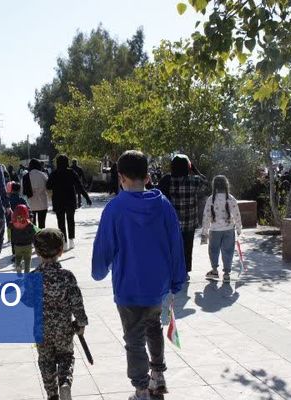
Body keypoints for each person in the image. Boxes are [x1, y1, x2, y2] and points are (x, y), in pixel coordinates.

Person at [92, 150, 186, 400]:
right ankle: (158, 375)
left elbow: (104, 249)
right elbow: (175, 245)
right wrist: (177, 280)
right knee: (153, 328)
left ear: (120, 177)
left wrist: (99, 271)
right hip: (157, 287)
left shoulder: (114, 209)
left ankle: (141, 389)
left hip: (128, 288)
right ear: (147, 176)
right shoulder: (164, 205)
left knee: (133, 338)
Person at [32, 228, 88, 400]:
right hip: (64, 328)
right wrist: (80, 323)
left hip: (42, 329)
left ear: (37, 252)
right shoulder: (67, 276)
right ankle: (64, 383)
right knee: (66, 356)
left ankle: (52, 395)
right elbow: (76, 302)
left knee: (46, 361)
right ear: (60, 251)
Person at [158, 154, 207, 280]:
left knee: (171, 247)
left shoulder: (167, 180)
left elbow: (157, 193)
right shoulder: (194, 180)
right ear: (187, 167)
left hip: (171, 223)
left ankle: (171, 271)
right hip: (189, 222)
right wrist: (194, 169)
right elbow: (205, 182)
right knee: (187, 247)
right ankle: (184, 272)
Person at [200, 176, 243, 282]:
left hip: (214, 230)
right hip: (229, 229)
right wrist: (238, 228)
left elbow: (206, 216)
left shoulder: (211, 199)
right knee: (228, 251)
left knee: (213, 250)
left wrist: (204, 232)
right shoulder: (231, 198)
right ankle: (227, 274)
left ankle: (214, 270)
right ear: (226, 185)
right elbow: (237, 214)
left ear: (214, 186)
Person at [46, 155, 92, 250]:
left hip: (58, 201)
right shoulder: (71, 172)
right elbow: (79, 186)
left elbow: (48, 186)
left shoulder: (54, 174)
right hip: (70, 200)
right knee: (71, 220)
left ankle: (64, 242)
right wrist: (87, 197)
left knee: (61, 222)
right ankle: (71, 240)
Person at [10, 204, 38, 274]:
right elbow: (35, 232)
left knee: (18, 257)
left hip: (17, 245)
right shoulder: (29, 225)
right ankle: (26, 274)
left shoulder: (13, 224)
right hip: (28, 245)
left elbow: (9, 226)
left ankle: (18, 266)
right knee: (27, 260)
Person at [23, 159, 49, 229]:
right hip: (43, 202)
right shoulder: (43, 175)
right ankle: (41, 238)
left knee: (32, 224)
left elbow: (24, 191)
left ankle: (33, 238)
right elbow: (48, 187)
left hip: (31, 203)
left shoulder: (26, 176)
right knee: (42, 224)